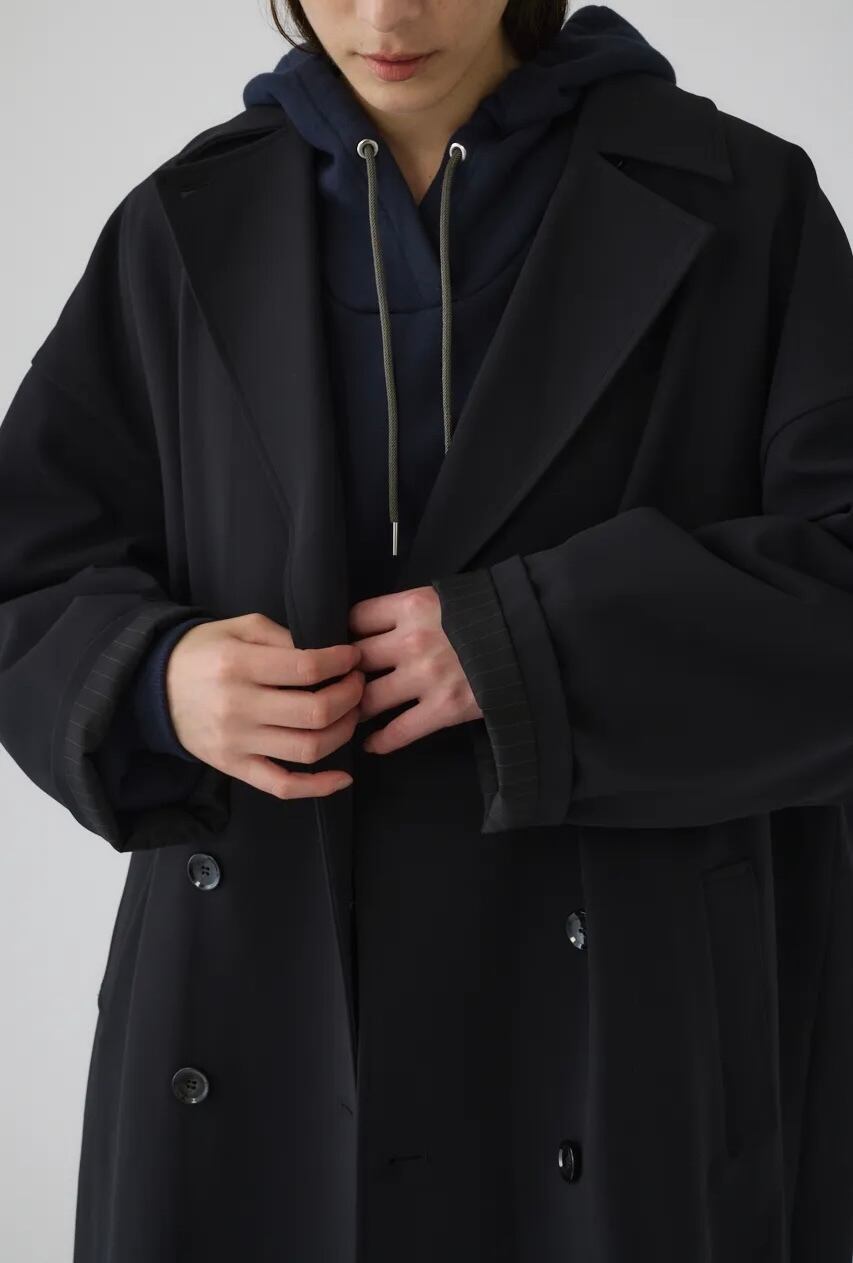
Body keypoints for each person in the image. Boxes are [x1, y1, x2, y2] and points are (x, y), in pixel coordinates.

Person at [1, 1, 851, 1260]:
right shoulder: (181, 222)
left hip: (618, 1017)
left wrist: (535, 646)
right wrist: (154, 678)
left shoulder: (743, 205)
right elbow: (28, 567)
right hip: (260, 1015)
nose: (388, 16)